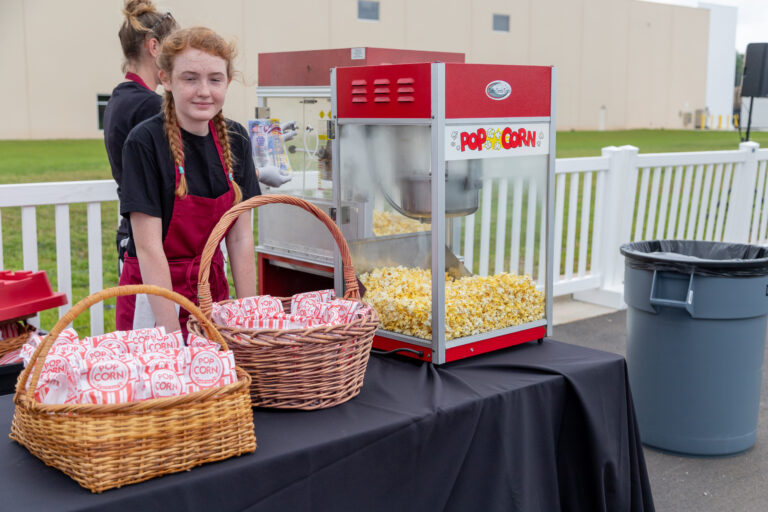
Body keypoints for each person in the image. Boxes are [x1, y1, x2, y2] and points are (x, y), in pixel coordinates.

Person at [115, 26, 260, 336]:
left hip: (210, 296)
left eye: (215, 79)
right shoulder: (145, 142)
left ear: (228, 82)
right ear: (165, 79)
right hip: (155, 303)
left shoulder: (237, 140)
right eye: (190, 78)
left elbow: (240, 238)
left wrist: (251, 319)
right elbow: (149, 248)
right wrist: (170, 338)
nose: (204, 90)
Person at [103, 0, 178, 277]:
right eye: (174, 50)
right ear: (154, 47)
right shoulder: (150, 106)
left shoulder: (119, 98)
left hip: (132, 236)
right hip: (154, 243)